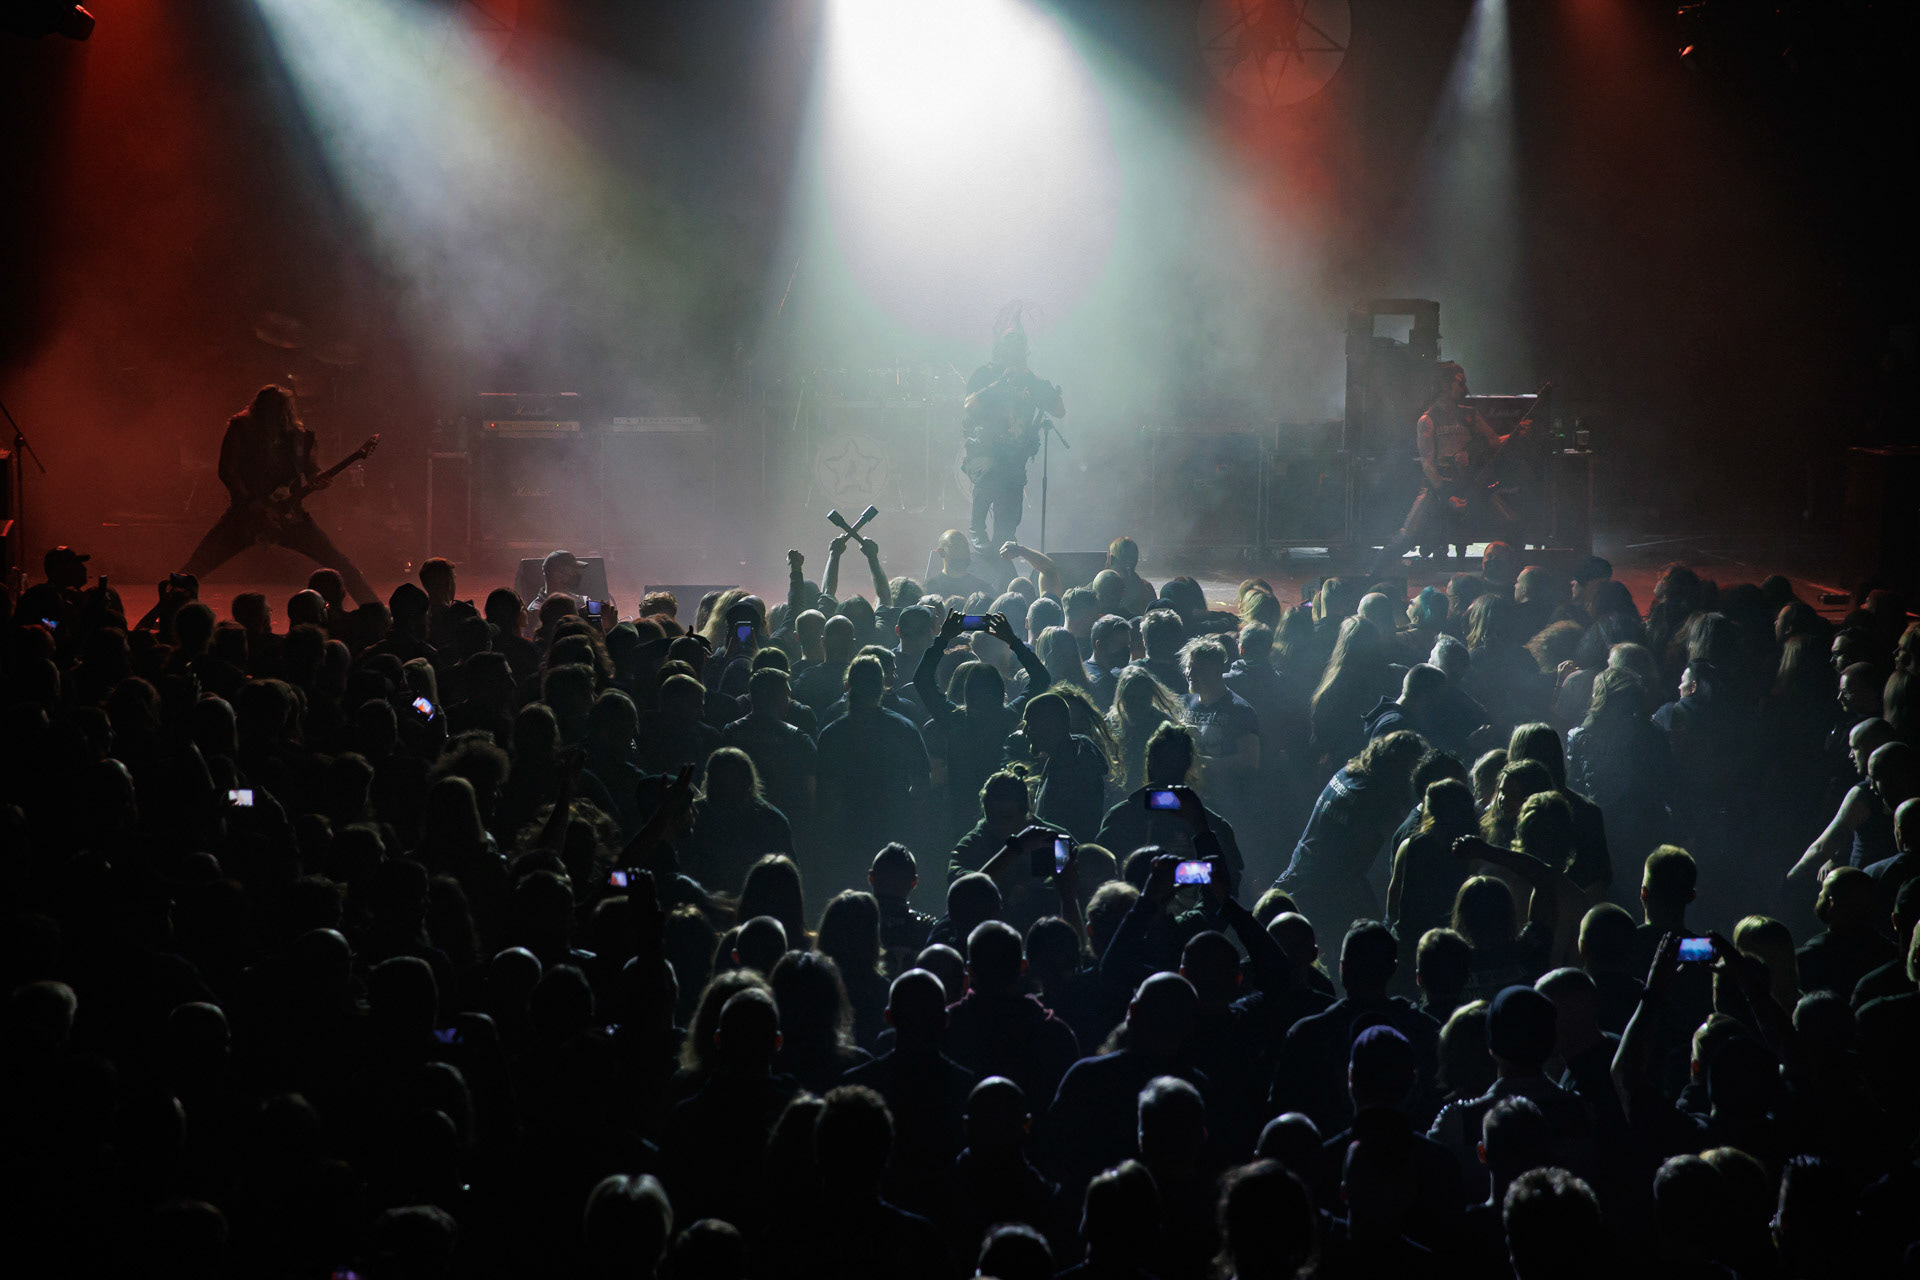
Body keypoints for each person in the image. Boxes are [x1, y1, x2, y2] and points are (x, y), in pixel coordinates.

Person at [179, 385, 378, 604]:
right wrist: (252, 503)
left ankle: (374, 610)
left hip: (289, 516)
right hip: (246, 517)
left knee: (338, 561)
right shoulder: (240, 429)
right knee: (197, 566)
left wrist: (319, 481)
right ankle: (166, 612)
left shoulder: (301, 438)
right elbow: (227, 470)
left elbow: (311, 470)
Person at [1373, 362, 1539, 570]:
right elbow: (1428, 465)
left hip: (1470, 485)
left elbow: (1495, 442)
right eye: (1460, 383)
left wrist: (1517, 433)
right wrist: (1445, 495)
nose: (1465, 389)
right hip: (1438, 489)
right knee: (1408, 535)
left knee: (1514, 527)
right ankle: (1373, 574)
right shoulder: (1428, 420)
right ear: (1444, 385)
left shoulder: (1470, 415)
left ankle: (1510, 575)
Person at [962, 306, 1065, 549]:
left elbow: (1060, 410)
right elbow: (969, 405)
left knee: (1010, 514)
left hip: (1014, 460)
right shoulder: (986, 374)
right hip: (984, 454)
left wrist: (1037, 381)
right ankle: (976, 527)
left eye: (1020, 340)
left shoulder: (1031, 380)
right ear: (1000, 347)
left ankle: (1002, 551)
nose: (1016, 343)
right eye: (1010, 338)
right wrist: (1000, 382)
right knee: (990, 474)